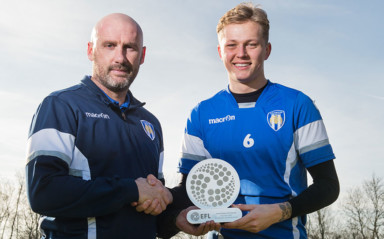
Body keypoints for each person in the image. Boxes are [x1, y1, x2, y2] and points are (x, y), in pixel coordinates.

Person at [157, 3, 340, 239]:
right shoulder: (201, 114)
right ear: (220, 51)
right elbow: (190, 191)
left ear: (267, 49)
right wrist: (159, 199)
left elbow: (328, 186)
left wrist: (279, 212)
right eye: (231, 45)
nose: (241, 53)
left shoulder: (297, 105)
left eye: (251, 44)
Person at [26, 13, 173, 239]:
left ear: (142, 55)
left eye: (130, 48)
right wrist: (130, 190)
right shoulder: (61, 106)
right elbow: (43, 192)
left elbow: (153, 207)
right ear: (90, 50)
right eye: (109, 45)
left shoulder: (151, 123)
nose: (120, 57)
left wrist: (178, 219)